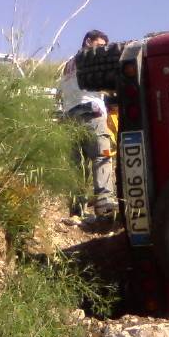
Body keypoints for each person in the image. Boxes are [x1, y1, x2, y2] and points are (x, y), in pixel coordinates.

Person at [59, 29, 118, 217]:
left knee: (76, 165)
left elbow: (63, 91)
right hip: (91, 111)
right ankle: (105, 203)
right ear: (88, 41)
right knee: (101, 156)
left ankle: (76, 209)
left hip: (70, 115)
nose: (102, 50)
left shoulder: (68, 63)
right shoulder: (91, 58)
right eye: (100, 45)